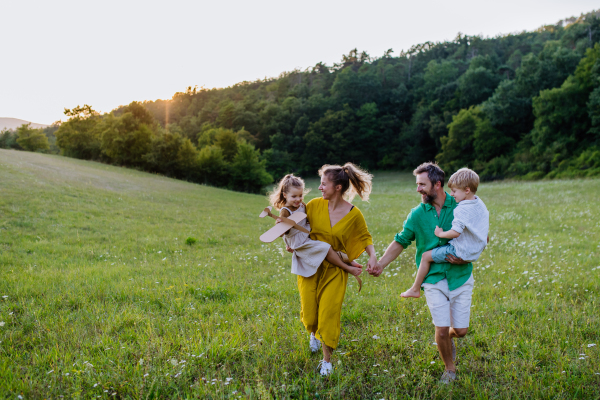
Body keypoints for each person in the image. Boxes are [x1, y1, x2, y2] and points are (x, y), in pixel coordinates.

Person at [367, 162, 475, 384]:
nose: (418, 189)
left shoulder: (461, 206)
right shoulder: (417, 214)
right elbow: (401, 240)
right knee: (442, 329)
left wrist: (466, 257)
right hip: (432, 279)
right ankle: (450, 369)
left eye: (422, 184)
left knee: (461, 331)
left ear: (437, 184)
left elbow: (481, 236)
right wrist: (381, 264)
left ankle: (448, 338)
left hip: (461, 275)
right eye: (417, 184)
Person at [288, 163, 377, 376]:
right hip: (309, 265)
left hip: (336, 269)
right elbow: (293, 222)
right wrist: (290, 241)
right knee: (310, 317)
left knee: (329, 313)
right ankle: (313, 332)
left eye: (323, 184)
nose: (319, 188)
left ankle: (327, 361)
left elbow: (365, 237)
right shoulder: (313, 205)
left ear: (337, 187)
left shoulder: (354, 214)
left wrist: (372, 256)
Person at [400, 168, 489, 299]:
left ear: (467, 190)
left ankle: (415, 288)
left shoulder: (460, 209)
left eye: (454, 191)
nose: (452, 194)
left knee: (425, 256)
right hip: (475, 250)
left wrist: (441, 234)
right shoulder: (479, 204)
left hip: (459, 251)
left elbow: (456, 233)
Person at [268, 174, 363, 279]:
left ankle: (350, 260)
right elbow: (281, 233)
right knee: (326, 248)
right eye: (294, 196)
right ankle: (347, 267)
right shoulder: (285, 211)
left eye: (300, 195)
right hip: (299, 242)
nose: (298, 199)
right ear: (285, 195)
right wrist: (281, 226)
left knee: (329, 242)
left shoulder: (301, 205)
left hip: (307, 234)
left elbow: (308, 217)